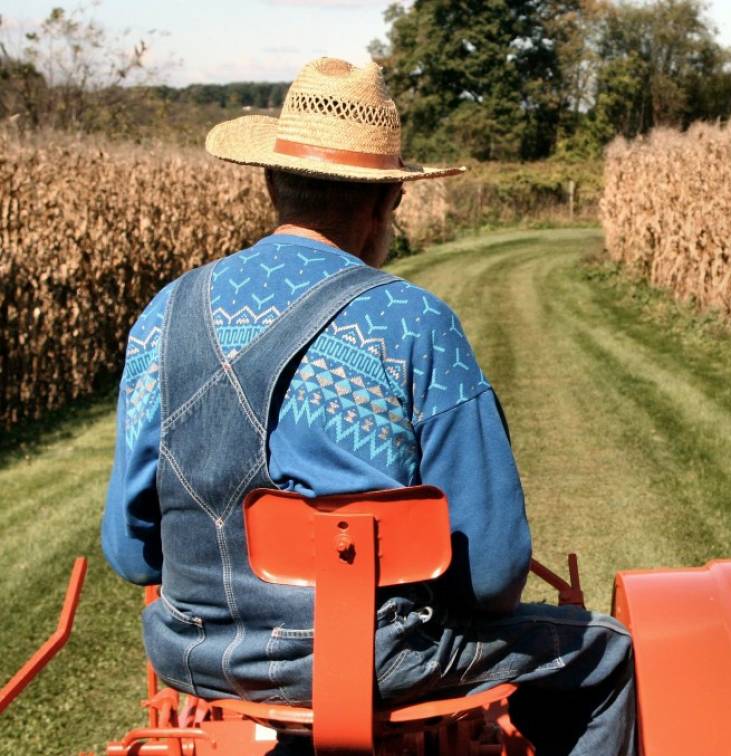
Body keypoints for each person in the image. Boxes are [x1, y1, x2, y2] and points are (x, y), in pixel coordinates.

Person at [99, 57, 635, 756]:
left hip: (194, 654)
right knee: (612, 653)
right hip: (375, 663)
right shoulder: (413, 324)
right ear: (388, 203)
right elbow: (498, 574)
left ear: (272, 184)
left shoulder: (163, 317)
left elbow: (129, 553)